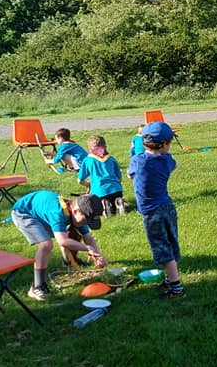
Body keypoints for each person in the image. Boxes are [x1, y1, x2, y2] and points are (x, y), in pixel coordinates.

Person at [10, 190, 106, 301]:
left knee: (74, 231)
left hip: (42, 213)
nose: (86, 224)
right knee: (46, 244)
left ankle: (69, 261)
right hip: (23, 213)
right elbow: (62, 240)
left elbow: (88, 237)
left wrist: (99, 256)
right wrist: (87, 248)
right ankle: (37, 286)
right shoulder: (58, 212)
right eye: (85, 221)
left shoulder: (77, 214)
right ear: (75, 211)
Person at [127, 121, 184, 299]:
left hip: (152, 212)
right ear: (165, 144)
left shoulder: (139, 161)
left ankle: (176, 288)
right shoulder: (167, 160)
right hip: (167, 207)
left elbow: (129, 174)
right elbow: (173, 164)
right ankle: (169, 279)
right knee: (170, 244)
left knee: (162, 249)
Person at [78, 135, 125, 216]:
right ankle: (118, 202)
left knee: (97, 204)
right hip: (117, 190)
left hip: (100, 192)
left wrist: (88, 184)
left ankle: (104, 205)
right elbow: (120, 178)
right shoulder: (111, 159)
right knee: (115, 199)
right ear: (105, 147)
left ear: (90, 149)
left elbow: (80, 180)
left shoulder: (88, 160)